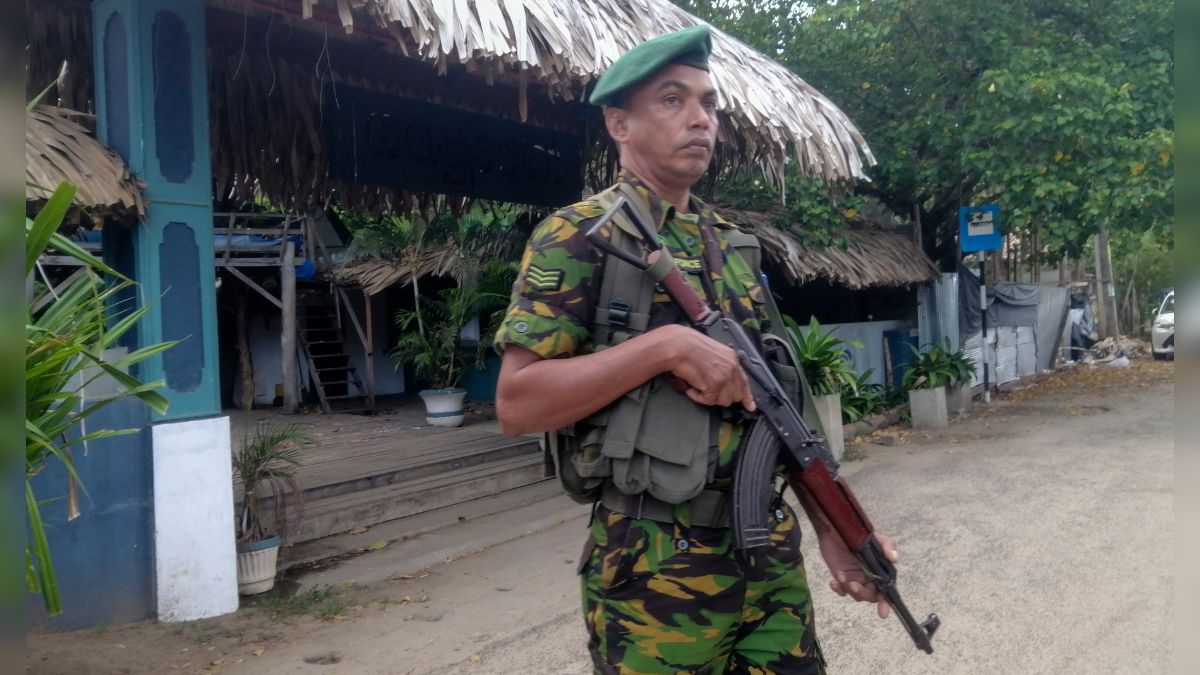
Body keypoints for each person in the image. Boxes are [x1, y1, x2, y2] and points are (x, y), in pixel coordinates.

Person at [494, 25, 897, 674]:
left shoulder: (734, 245)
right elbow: (517, 403)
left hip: (767, 556)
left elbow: (779, 411)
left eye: (709, 103)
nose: (699, 118)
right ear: (619, 123)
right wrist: (663, 347)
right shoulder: (578, 237)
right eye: (673, 100)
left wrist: (835, 532)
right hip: (653, 567)